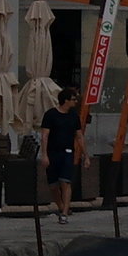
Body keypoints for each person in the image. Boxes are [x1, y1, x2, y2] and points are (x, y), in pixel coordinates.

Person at [38, 86, 83, 218]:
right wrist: (44, 154)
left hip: (68, 152)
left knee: (65, 182)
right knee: (53, 186)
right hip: (52, 152)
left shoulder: (74, 116)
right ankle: (61, 206)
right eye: (73, 99)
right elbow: (44, 135)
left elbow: (79, 136)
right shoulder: (50, 115)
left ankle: (64, 212)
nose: (75, 102)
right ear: (66, 100)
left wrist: (85, 155)